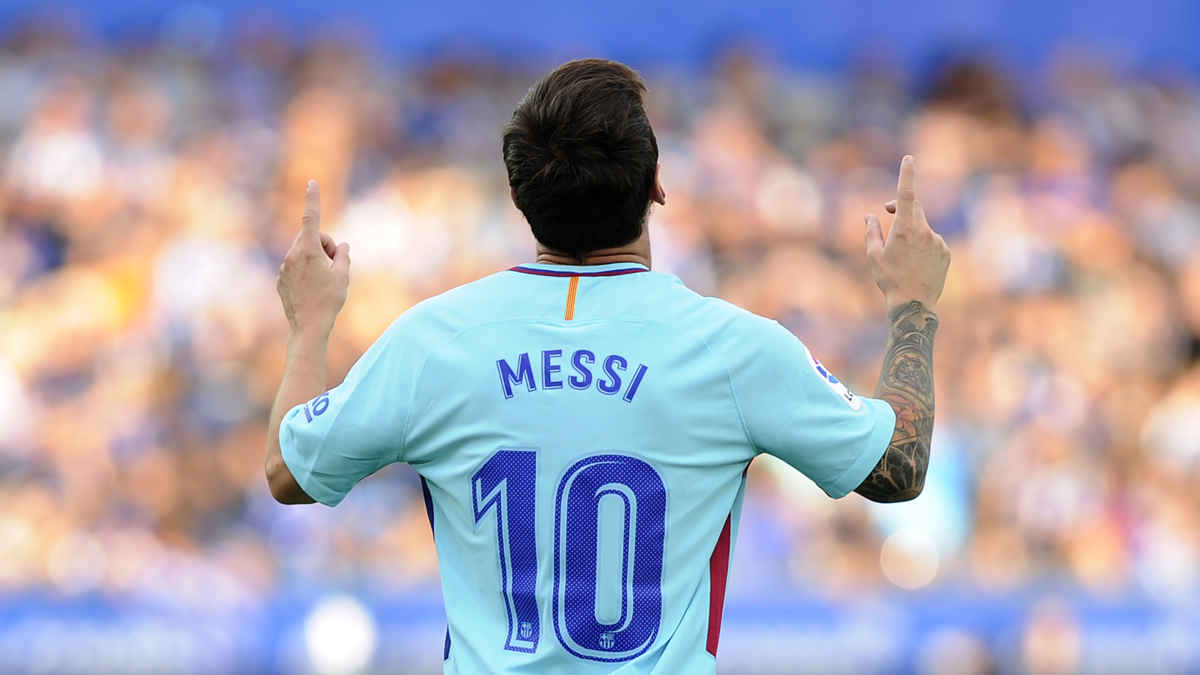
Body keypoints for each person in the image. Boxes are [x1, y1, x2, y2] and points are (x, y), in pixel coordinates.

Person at [264, 58, 950, 674]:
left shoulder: (432, 340)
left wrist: (310, 325)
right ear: (656, 182)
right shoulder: (730, 346)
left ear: (519, 195)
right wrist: (912, 302)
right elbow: (898, 468)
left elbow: (290, 470)